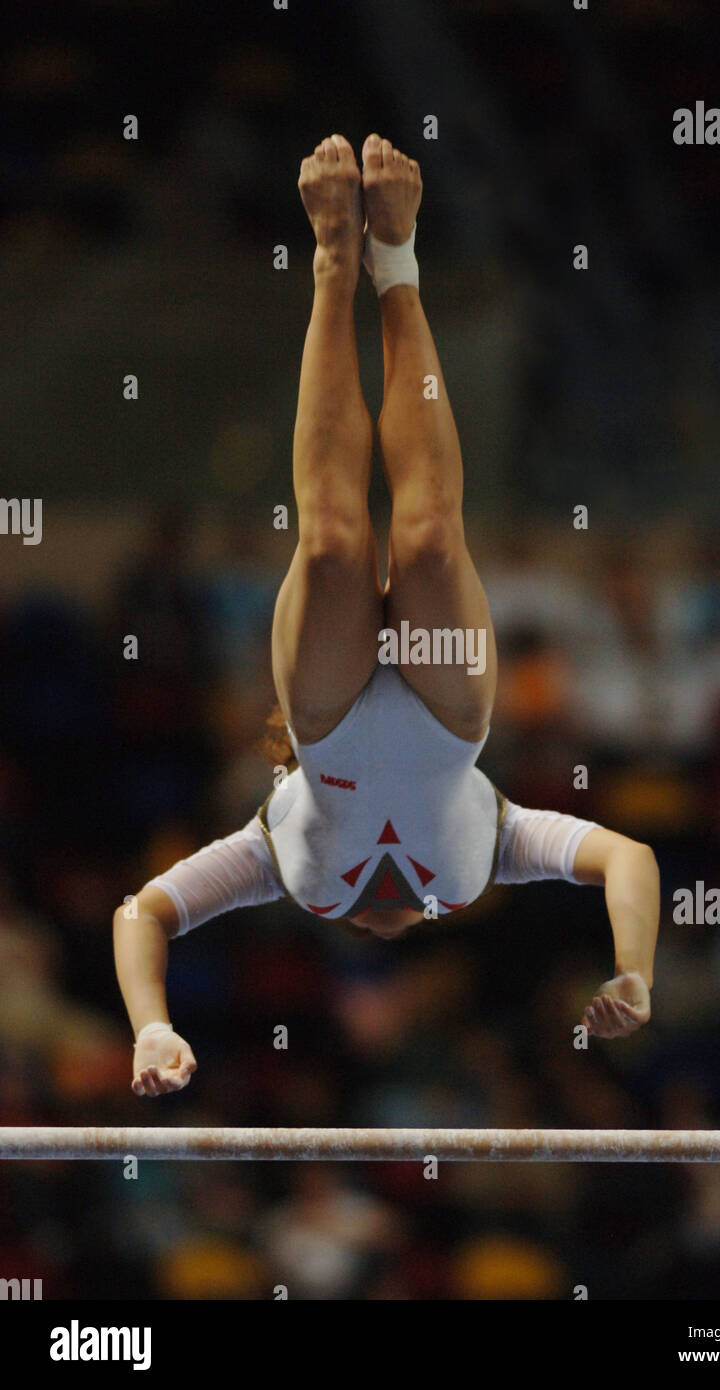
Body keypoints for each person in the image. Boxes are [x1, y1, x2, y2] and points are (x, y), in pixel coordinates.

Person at [113, 134, 660, 1099]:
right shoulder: (489, 851)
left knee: (329, 539)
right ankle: (396, 259)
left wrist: (152, 1025)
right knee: (427, 542)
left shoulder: (279, 859)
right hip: (450, 716)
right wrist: (633, 970)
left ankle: (333, 260)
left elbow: (141, 913)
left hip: (321, 721)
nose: (378, 918)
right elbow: (627, 856)